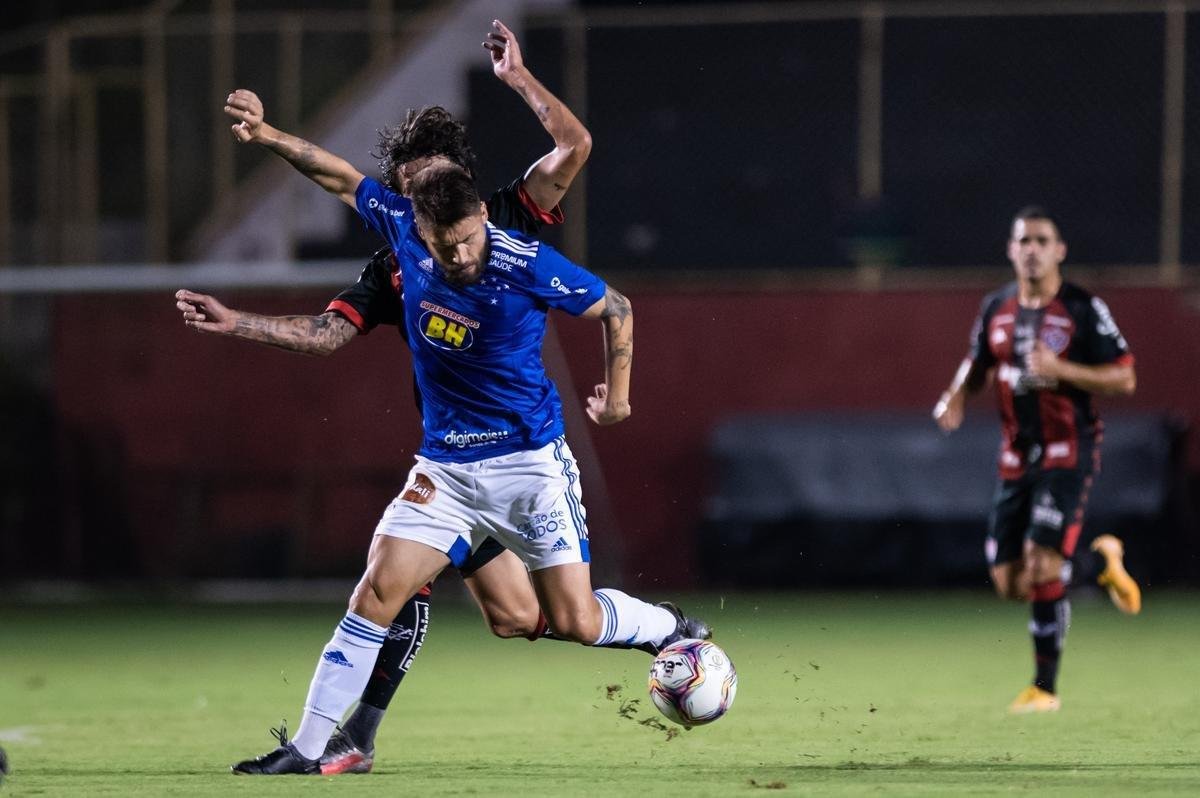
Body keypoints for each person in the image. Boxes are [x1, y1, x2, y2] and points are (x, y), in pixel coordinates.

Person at [182, 150, 708, 777]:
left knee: (571, 619)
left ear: (481, 213)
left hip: (528, 470)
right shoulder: (404, 231)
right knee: (378, 589)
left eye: (464, 241)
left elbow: (616, 308)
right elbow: (339, 178)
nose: (458, 256)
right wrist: (267, 137)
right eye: (442, 245)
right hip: (446, 474)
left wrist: (618, 401)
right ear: (416, 227)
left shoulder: (524, 261)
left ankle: (668, 624)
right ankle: (309, 747)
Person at [223, 20, 596, 775]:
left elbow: (575, 150)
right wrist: (235, 322)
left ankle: (665, 634)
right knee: (392, 584)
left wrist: (518, 78)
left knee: (533, 620)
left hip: (524, 457)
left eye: (433, 180)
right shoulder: (393, 252)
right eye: (409, 185)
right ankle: (351, 736)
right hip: (452, 466)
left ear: (461, 184)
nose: (420, 196)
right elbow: (328, 333)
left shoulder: (510, 217)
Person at [932, 206, 1141, 715]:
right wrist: (956, 395)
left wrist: (1061, 369)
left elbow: (1125, 378)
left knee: (1043, 562)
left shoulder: (1083, 308)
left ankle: (1044, 689)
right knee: (1010, 583)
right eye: (1023, 240)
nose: (1032, 249)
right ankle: (1098, 563)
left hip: (1068, 450)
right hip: (1015, 456)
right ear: (1010, 249)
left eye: (1042, 240)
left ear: (1059, 251)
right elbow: (976, 362)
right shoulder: (996, 307)